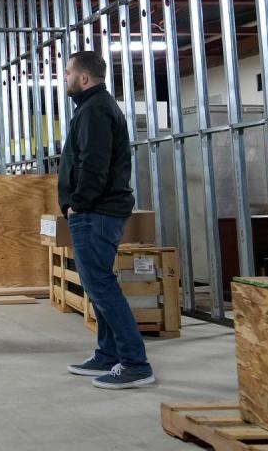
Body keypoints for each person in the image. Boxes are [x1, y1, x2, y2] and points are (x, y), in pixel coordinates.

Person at [60, 51, 154, 389]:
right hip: (96, 211)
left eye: (68, 72)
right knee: (97, 285)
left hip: (96, 211)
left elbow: (94, 163)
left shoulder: (95, 109)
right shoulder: (93, 107)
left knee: (101, 286)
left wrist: (78, 203)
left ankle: (135, 363)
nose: (65, 78)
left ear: (84, 78)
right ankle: (108, 352)